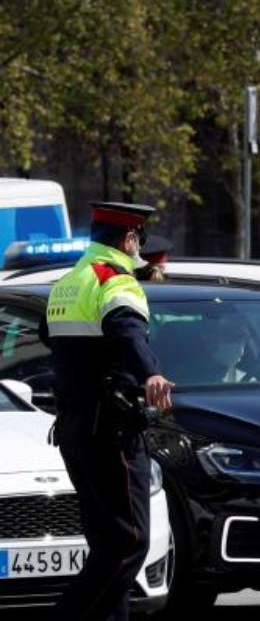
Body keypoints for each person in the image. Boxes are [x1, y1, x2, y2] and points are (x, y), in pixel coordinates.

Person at [43, 201, 175, 621]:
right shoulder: (114, 279)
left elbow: (50, 336)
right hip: (111, 433)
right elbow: (127, 329)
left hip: (75, 428)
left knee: (105, 541)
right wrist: (151, 373)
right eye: (139, 239)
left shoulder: (69, 280)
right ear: (130, 239)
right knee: (129, 540)